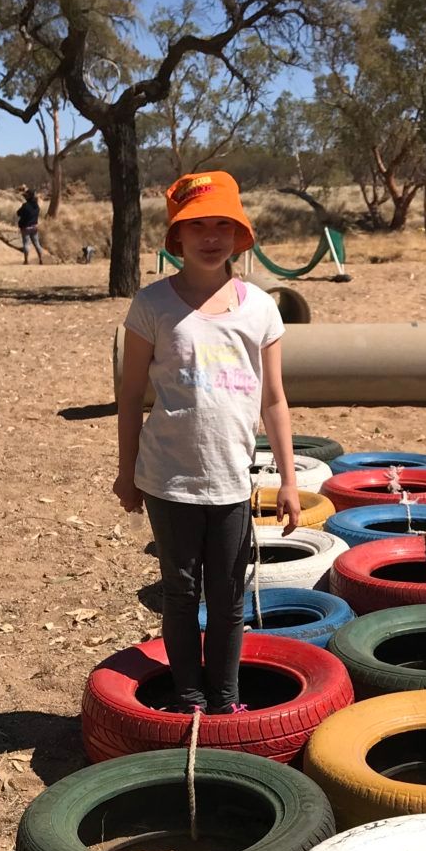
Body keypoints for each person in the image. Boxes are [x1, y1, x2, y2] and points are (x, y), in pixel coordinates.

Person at [114, 171, 301, 714]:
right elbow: (130, 397)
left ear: (241, 234)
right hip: (168, 480)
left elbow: (274, 401)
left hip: (231, 482)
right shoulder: (152, 305)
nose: (211, 235)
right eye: (197, 225)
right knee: (179, 593)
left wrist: (290, 481)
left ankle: (226, 699)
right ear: (177, 237)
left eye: (224, 223)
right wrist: (126, 473)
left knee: (227, 600)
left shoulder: (261, 308)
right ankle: (189, 696)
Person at [16, 187, 42, 264]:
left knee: (26, 244)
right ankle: (41, 260)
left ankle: (26, 261)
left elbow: (18, 213)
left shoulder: (25, 205)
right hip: (34, 226)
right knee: (37, 244)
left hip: (25, 227)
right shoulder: (37, 206)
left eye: (26, 196)